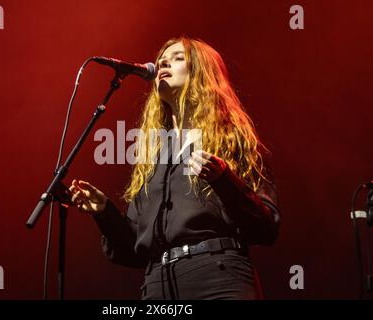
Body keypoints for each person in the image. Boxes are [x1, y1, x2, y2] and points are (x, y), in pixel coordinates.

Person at [69, 36, 280, 300]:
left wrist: (223, 178)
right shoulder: (154, 154)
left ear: (202, 73)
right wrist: (104, 212)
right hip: (159, 286)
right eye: (161, 60)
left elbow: (266, 227)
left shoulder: (232, 139)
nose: (163, 64)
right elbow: (133, 251)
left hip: (218, 279)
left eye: (178, 58)